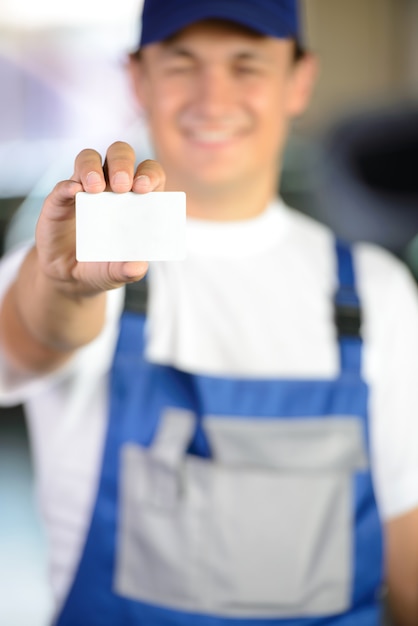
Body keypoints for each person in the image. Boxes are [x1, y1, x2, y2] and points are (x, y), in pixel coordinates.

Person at [0, 1, 417, 624]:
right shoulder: (75, 257)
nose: (212, 97)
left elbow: (405, 530)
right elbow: (36, 332)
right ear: (137, 80)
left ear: (298, 80)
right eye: (182, 64)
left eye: (246, 64)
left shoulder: (377, 291)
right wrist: (71, 288)